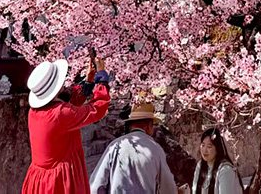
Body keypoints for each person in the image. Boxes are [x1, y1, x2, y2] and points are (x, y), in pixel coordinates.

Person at [22, 57, 111, 194]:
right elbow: (97, 109)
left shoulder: (34, 112)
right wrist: (102, 78)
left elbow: (69, 103)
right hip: (59, 181)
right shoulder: (60, 114)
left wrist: (88, 81)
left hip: (39, 179)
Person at [89, 100, 178, 194]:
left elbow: (96, 185)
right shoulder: (156, 149)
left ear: (131, 125)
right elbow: (168, 188)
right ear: (148, 126)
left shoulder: (115, 146)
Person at [190, 128, 242, 194]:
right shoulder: (200, 165)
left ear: (217, 148)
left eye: (209, 146)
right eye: (203, 145)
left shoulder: (225, 170)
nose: (204, 150)